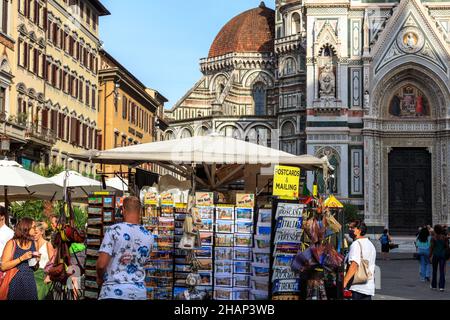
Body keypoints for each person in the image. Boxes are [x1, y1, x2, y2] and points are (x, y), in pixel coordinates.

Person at [96, 196, 154, 300]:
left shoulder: (114, 230)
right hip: (138, 293)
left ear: (123, 210)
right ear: (140, 211)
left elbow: (101, 265)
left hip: (113, 292)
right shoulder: (149, 235)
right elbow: (142, 262)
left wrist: (100, 278)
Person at [1, 218, 40, 300]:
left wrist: (36, 261)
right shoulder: (12, 243)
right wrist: (21, 258)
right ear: (26, 228)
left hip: (29, 282)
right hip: (14, 283)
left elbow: (34, 268)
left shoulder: (33, 243)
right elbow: (3, 266)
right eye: (34, 227)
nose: (36, 230)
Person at [343, 220, 377, 300]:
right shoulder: (370, 244)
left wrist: (344, 282)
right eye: (349, 227)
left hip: (356, 287)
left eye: (352, 228)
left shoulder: (356, 244)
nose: (349, 230)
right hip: (368, 287)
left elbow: (354, 265)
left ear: (359, 230)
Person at [33, 222, 55, 300]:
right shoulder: (32, 245)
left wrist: (48, 276)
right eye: (33, 233)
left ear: (42, 232)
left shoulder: (47, 244)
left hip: (44, 275)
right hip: (34, 274)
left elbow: (53, 262)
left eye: (36, 233)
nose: (34, 235)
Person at [430, 225, 449, 292]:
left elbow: (431, 248)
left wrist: (430, 256)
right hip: (442, 255)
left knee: (434, 271)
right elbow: (447, 247)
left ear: (435, 230)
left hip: (435, 255)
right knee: (442, 271)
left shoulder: (433, 238)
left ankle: (434, 285)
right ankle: (441, 287)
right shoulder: (444, 238)